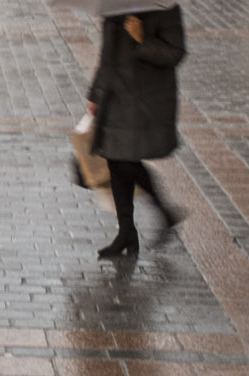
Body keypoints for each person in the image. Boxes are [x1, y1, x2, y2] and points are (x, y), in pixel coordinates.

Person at [86, 3, 185, 258]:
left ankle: (164, 212)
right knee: (116, 160)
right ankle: (127, 233)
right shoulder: (114, 6)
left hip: (145, 99)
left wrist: (142, 39)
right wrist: (95, 92)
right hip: (115, 96)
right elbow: (106, 56)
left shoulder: (164, 7)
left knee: (125, 160)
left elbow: (175, 52)